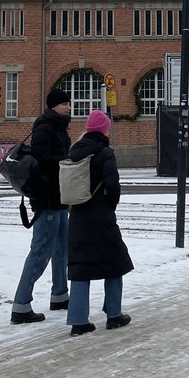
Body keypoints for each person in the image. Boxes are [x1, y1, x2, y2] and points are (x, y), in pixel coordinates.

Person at [65, 109, 134, 336]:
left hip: (77, 216)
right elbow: (113, 186)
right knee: (114, 262)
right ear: (104, 129)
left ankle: (78, 321)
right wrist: (109, 205)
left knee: (80, 267)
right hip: (100, 215)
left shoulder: (74, 150)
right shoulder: (105, 152)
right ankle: (114, 315)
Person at [11, 89, 73, 324]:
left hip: (59, 197)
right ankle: (21, 304)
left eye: (69, 103)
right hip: (47, 198)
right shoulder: (44, 127)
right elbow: (42, 159)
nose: (69, 106)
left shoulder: (58, 127)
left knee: (61, 248)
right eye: (64, 103)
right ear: (53, 106)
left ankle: (59, 295)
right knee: (41, 251)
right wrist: (67, 161)